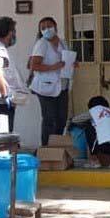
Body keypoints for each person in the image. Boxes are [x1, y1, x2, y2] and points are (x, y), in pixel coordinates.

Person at [29, 16, 72, 146]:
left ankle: (56, 147)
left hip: (62, 86)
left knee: (62, 119)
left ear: (55, 27)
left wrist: (72, 63)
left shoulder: (63, 43)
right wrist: (54, 67)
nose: (47, 29)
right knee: (49, 119)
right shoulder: (42, 44)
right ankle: (46, 149)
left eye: (49, 26)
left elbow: (66, 60)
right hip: (45, 88)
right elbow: (34, 65)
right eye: (43, 28)